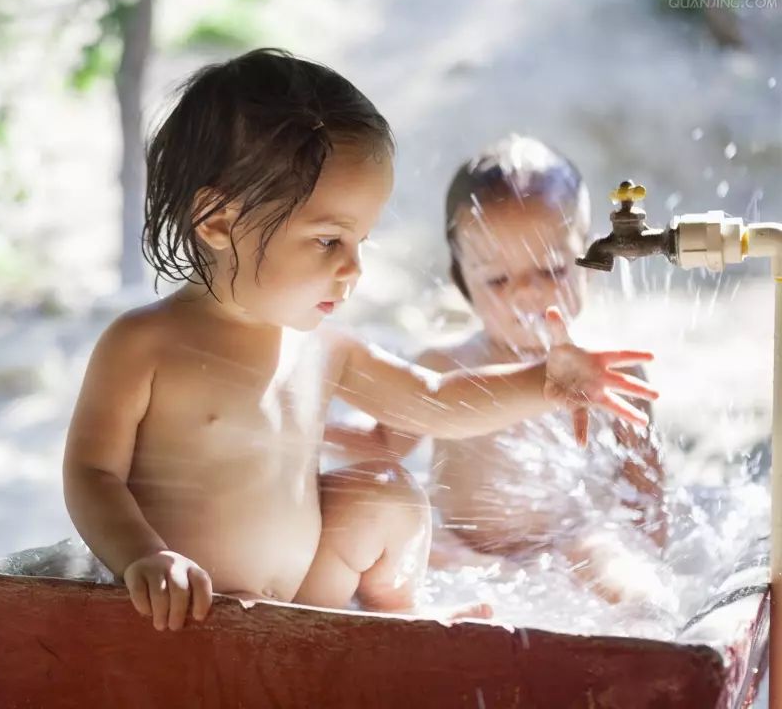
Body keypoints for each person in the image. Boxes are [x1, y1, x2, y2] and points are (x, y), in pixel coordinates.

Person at [63, 53, 657, 632]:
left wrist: (545, 383)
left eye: (361, 243)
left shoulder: (323, 348)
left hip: (305, 604)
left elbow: (439, 402)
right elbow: (92, 473)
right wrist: (143, 555)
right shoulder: (144, 345)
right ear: (218, 221)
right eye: (329, 242)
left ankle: (394, 620)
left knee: (387, 491)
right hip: (188, 613)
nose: (354, 269)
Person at [325, 135, 668, 605]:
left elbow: (647, 492)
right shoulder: (444, 367)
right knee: (413, 545)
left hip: (570, 539)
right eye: (497, 279)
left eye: (550, 270)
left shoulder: (610, 372)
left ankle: (653, 637)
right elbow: (384, 443)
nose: (525, 294)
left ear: (589, 262)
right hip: (460, 543)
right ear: (463, 280)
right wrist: (309, 425)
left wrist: (649, 554)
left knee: (623, 575)